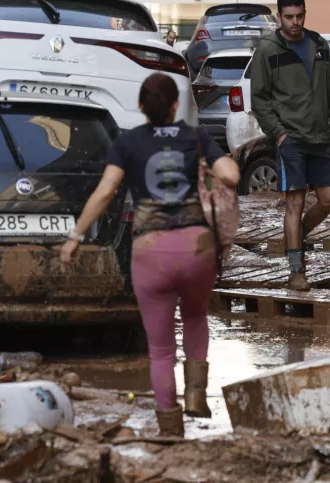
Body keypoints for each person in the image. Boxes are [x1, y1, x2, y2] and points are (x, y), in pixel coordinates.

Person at [59, 73, 240, 437]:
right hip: (196, 249)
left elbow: (106, 191)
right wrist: (207, 168)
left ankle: (169, 427)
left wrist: (75, 236)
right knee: (194, 317)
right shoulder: (196, 137)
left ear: (141, 107)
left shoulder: (128, 142)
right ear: (175, 106)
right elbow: (232, 176)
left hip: (150, 252)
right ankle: (194, 393)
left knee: (159, 350)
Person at [249, 0, 330, 291]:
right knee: (294, 203)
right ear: (279, 17)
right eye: (289, 17)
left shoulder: (319, 44)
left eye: (300, 16)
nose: (295, 22)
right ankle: (297, 271)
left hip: (319, 136)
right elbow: (259, 99)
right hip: (289, 138)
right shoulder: (268, 50)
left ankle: (296, 235)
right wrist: (278, 134)